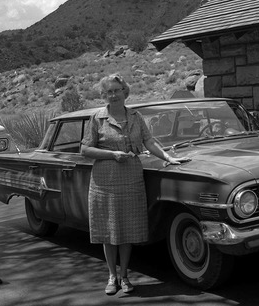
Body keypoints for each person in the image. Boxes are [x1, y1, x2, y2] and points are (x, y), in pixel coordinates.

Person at [80, 73, 190, 295]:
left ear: (125, 92)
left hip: (131, 178)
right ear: (104, 94)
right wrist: (112, 155)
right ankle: (112, 276)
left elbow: (149, 141)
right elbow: (85, 150)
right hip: (104, 181)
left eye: (117, 90)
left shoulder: (136, 116)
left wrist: (168, 158)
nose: (113, 95)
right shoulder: (97, 118)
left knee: (127, 229)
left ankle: (125, 276)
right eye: (109, 91)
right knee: (110, 230)